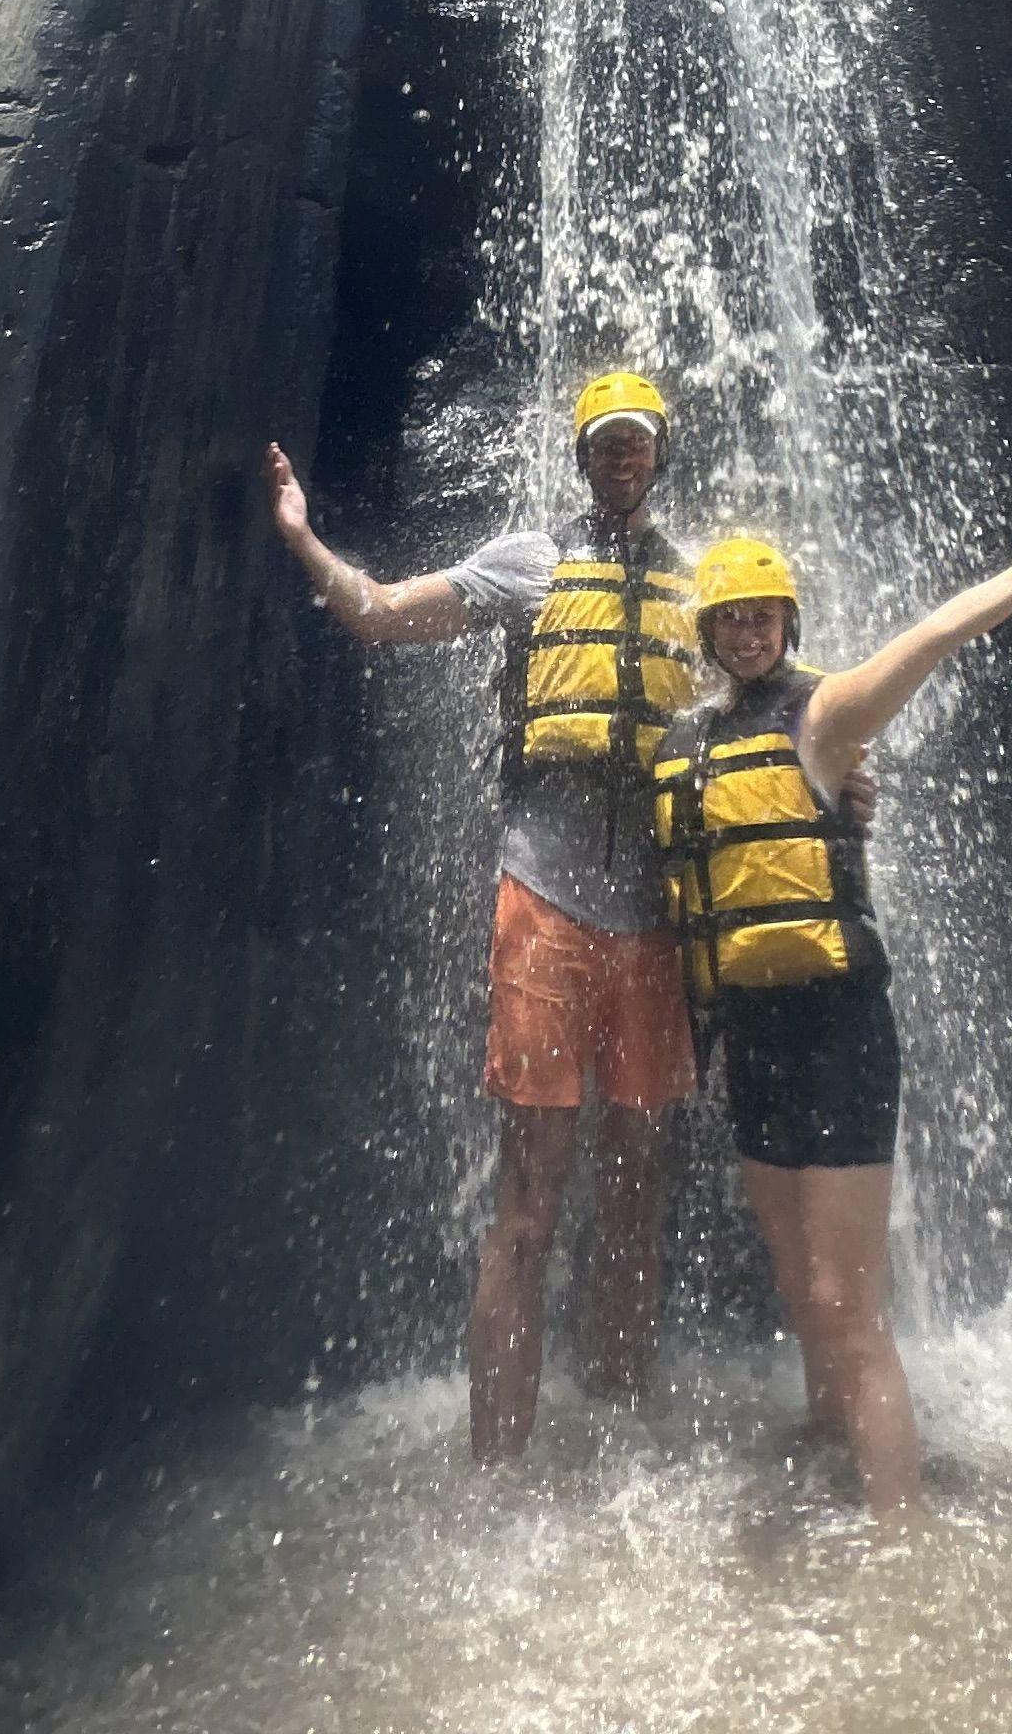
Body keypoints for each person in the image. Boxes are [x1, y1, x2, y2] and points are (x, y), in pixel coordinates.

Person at [264, 376, 704, 1460]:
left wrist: (852, 785)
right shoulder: (530, 564)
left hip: (656, 925)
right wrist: (302, 540)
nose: (621, 459)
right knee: (530, 1198)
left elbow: (783, 718)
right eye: (604, 444)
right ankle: (497, 1468)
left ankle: (620, 1434)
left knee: (637, 1189)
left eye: (636, 444)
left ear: (659, 455)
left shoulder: (702, 590)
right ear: (582, 456)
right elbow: (379, 615)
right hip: (545, 906)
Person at [658, 510, 1012, 1524]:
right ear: (708, 631)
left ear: (788, 621)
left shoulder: (823, 718)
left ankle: (900, 1539)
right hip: (754, 1038)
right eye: (728, 619)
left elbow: (928, 639)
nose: (746, 633)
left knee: (846, 1304)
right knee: (800, 1293)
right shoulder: (689, 742)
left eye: (762, 617)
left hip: (837, 1035)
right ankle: (832, 1449)